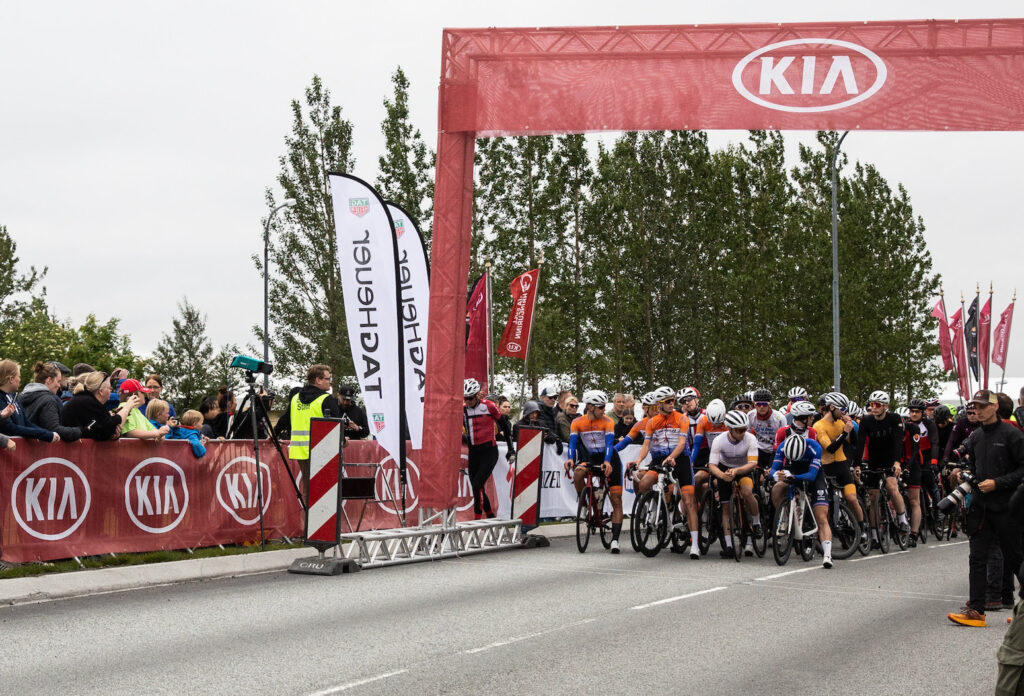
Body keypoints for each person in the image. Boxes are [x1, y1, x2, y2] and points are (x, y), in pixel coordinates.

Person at [947, 390, 1024, 628]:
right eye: (975, 407)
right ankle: (976, 611)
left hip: (1007, 506)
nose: (978, 411)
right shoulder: (977, 436)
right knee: (977, 558)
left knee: (1016, 559)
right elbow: (972, 465)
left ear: (994, 407)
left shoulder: (1012, 434)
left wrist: (997, 483)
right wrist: (962, 473)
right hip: (980, 507)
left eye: (982, 406)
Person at [628, 386, 699, 559]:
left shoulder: (681, 418)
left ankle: (695, 544)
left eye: (672, 400)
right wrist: (638, 460)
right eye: (668, 401)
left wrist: (672, 457)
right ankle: (659, 510)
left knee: (688, 500)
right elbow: (646, 445)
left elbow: (681, 443)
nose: (672, 403)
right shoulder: (652, 422)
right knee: (644, 483)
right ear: (659, 404)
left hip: (680, 459)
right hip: (660, 459)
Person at [565, 390, 623, 553]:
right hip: (592, 458)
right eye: (601, 407)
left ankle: (615, 540)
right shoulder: (577, 422)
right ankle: (584, 504)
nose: (604, 410)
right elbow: (572, 443)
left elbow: (610, 444)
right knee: (578, 472)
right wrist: (570, 458)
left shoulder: (607, 421)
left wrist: (607, 462)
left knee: (616, 499)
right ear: (590, 407)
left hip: (610, 458)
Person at [274, 364, 342, 492]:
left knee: (309, 488)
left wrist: (273, 434)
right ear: (318, 380)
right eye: (328, 379)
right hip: (322, 451)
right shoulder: (326, 399)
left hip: (301, 452)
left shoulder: (295, 398)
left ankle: (307, 506)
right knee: (324, 490)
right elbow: (337, 425)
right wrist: (343, 441)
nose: (330, 382)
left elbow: (285, 418)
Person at [770, 434, 834, 568]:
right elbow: (774, 469)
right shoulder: (783, 447)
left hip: (813, 474)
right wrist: (775, 475)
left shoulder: (815, 447)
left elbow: (811, 476)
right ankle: (785, 518)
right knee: (777, 488)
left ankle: (827, 555)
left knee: (821, 516)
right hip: (792, 470)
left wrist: (793, 476)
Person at [858, 390, 910, 547]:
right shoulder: (866, 420)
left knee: (892, 486)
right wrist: (857, 464)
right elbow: (860, 443)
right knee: (873, 498)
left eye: (877, 405)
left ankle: (902, 519)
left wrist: (897, 462)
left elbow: (898, 442)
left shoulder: (894, 418)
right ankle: (875, 536)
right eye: (871, 404)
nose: (873, 408)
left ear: (885, 406)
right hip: (874, 460)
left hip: (890, 459)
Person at [709, 409, 762, 558]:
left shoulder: (750, 438)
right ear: (730, 429)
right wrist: (722, 476)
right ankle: (729, 546)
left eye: (745, 429)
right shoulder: (719, 440)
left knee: (747, 492)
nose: (743, 433)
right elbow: (712, 465)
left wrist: (737, 471)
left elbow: (753, 463)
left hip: (744, 468)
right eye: (739, 430)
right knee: (726, 507)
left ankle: (756, 522)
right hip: (725, 468)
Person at [814, 392, 866, 544]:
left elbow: (854, 443)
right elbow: (830, 448)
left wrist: (851, 428)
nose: (844, 412)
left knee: (852, 498)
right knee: (827, 505)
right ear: (831, 407)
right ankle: (828, 533)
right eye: (842, 409)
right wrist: (844, 433)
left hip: (842, 466)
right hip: (826, 467)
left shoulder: (841, 423)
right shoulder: (819, 426)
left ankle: (862, 529)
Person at [462, 378, 501, 519]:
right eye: (465, 398)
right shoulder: (463, 410)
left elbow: (504, 425)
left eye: (470, 398)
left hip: (489, 451)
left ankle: (477, 517)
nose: (468, 402)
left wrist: (510, 449)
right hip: (474, 452)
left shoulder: (489, 406)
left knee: (478, 483)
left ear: (477, 395)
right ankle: (490, 516)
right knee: (476, 486)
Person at [60, 370, 137, 440]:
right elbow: (107, 427)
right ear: (101, 391)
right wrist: (127, 407)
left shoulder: (88, 401)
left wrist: (114, 432)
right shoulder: (87, 402)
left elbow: (104, 429)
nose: (111, 391)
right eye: (110, 388)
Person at [18, 361, 82, 442]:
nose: (59, 385)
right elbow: (54, 430)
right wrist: (79, 431)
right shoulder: (48, 400)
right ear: (49, 380)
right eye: (58, 381)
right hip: (42, 448)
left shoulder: (23, 396)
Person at [0, 359, 60, 443]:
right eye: (19, 376)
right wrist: (44, 434)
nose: (20, 379)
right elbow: (10, 428)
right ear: (11, 379)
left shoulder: (13, 396)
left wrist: (47, 433)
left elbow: (27, 423)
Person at [748, 388, 786, 472]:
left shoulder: (779, 418)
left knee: (772, 474)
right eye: (758, 404)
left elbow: (784, 439)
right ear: (754, 405)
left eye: (764, 404)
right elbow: (746, 435)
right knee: (755, 473)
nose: (761, 407)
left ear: (770, 405)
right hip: (759, 449)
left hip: (775, 450)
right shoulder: (750, 416)